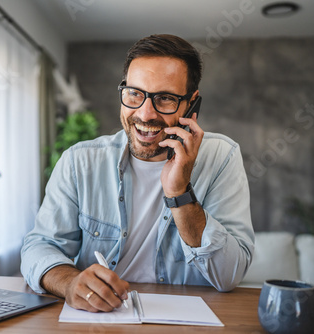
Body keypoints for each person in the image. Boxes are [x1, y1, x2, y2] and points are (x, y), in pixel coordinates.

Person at [21, 34, 254, 313]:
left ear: (192, 104)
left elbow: (228, 276)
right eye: (134, 93)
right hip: (100, 320)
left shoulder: (222, 158)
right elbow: (39, 246)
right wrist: (69, 282)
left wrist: (179, 194)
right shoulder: (79, 161)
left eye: (165, 98)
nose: (145, 114)